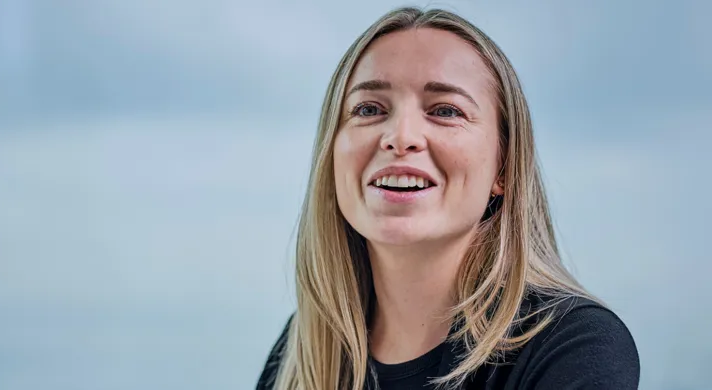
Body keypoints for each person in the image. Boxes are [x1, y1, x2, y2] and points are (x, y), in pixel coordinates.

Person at [256, 7, 639, 390]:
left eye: (445, 111)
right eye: (369, 109)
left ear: (503, 167)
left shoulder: (572, 346)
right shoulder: (300, 352)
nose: (401, 136)